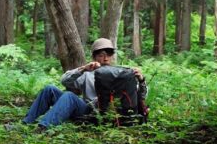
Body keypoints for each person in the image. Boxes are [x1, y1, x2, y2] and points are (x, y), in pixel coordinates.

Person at [20, 38, 148, 130]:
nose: (105, 58)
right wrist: (83, 69)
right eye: (101, 55)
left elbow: (141, 97)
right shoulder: (88, 73)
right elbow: (65, 81)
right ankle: (25, 124)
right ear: (94, 56)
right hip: (86, 109)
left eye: (109, 54)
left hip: (101, 114)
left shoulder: (121, 74)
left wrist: (141, 80)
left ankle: (43, 128)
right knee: (50, 90)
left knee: (69, 96)